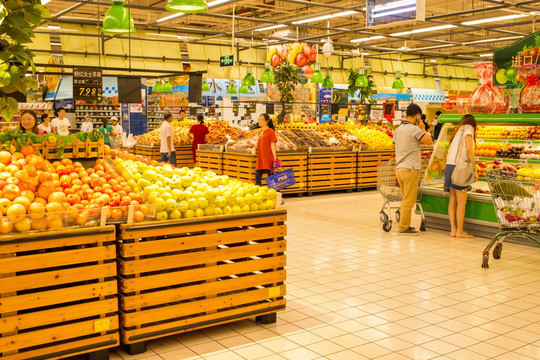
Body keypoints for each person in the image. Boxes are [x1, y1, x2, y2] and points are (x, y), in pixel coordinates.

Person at [393, 103, 433, 236]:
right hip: (410, 169)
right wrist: (422, 128)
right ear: (418, 116)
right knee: (409, 200)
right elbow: (428, 141)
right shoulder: (415, 130)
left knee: (405, 198)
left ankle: (404, 225)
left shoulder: (398, 129)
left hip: (400, 168)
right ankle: (403, 227)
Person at [444, 114, 478, 238]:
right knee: (462, 201)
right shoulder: (468, 128)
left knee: (452, 200)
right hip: (459, 167)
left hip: (450, 166)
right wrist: (474, 168)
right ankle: (460, 231)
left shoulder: (458, 130)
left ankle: (453, 230)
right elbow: (469, 150)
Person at [255, 114, 278, 186]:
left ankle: (276, 194)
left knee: (272, 178)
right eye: (259, 119)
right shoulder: (260, 132)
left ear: (267, 121)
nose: (259, 121)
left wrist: (275, 159)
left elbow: (272, 146)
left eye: (262, 119)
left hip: (268, 158)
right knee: (257, 178)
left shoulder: (271, 131)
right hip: (261, 158)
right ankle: (258, 193)